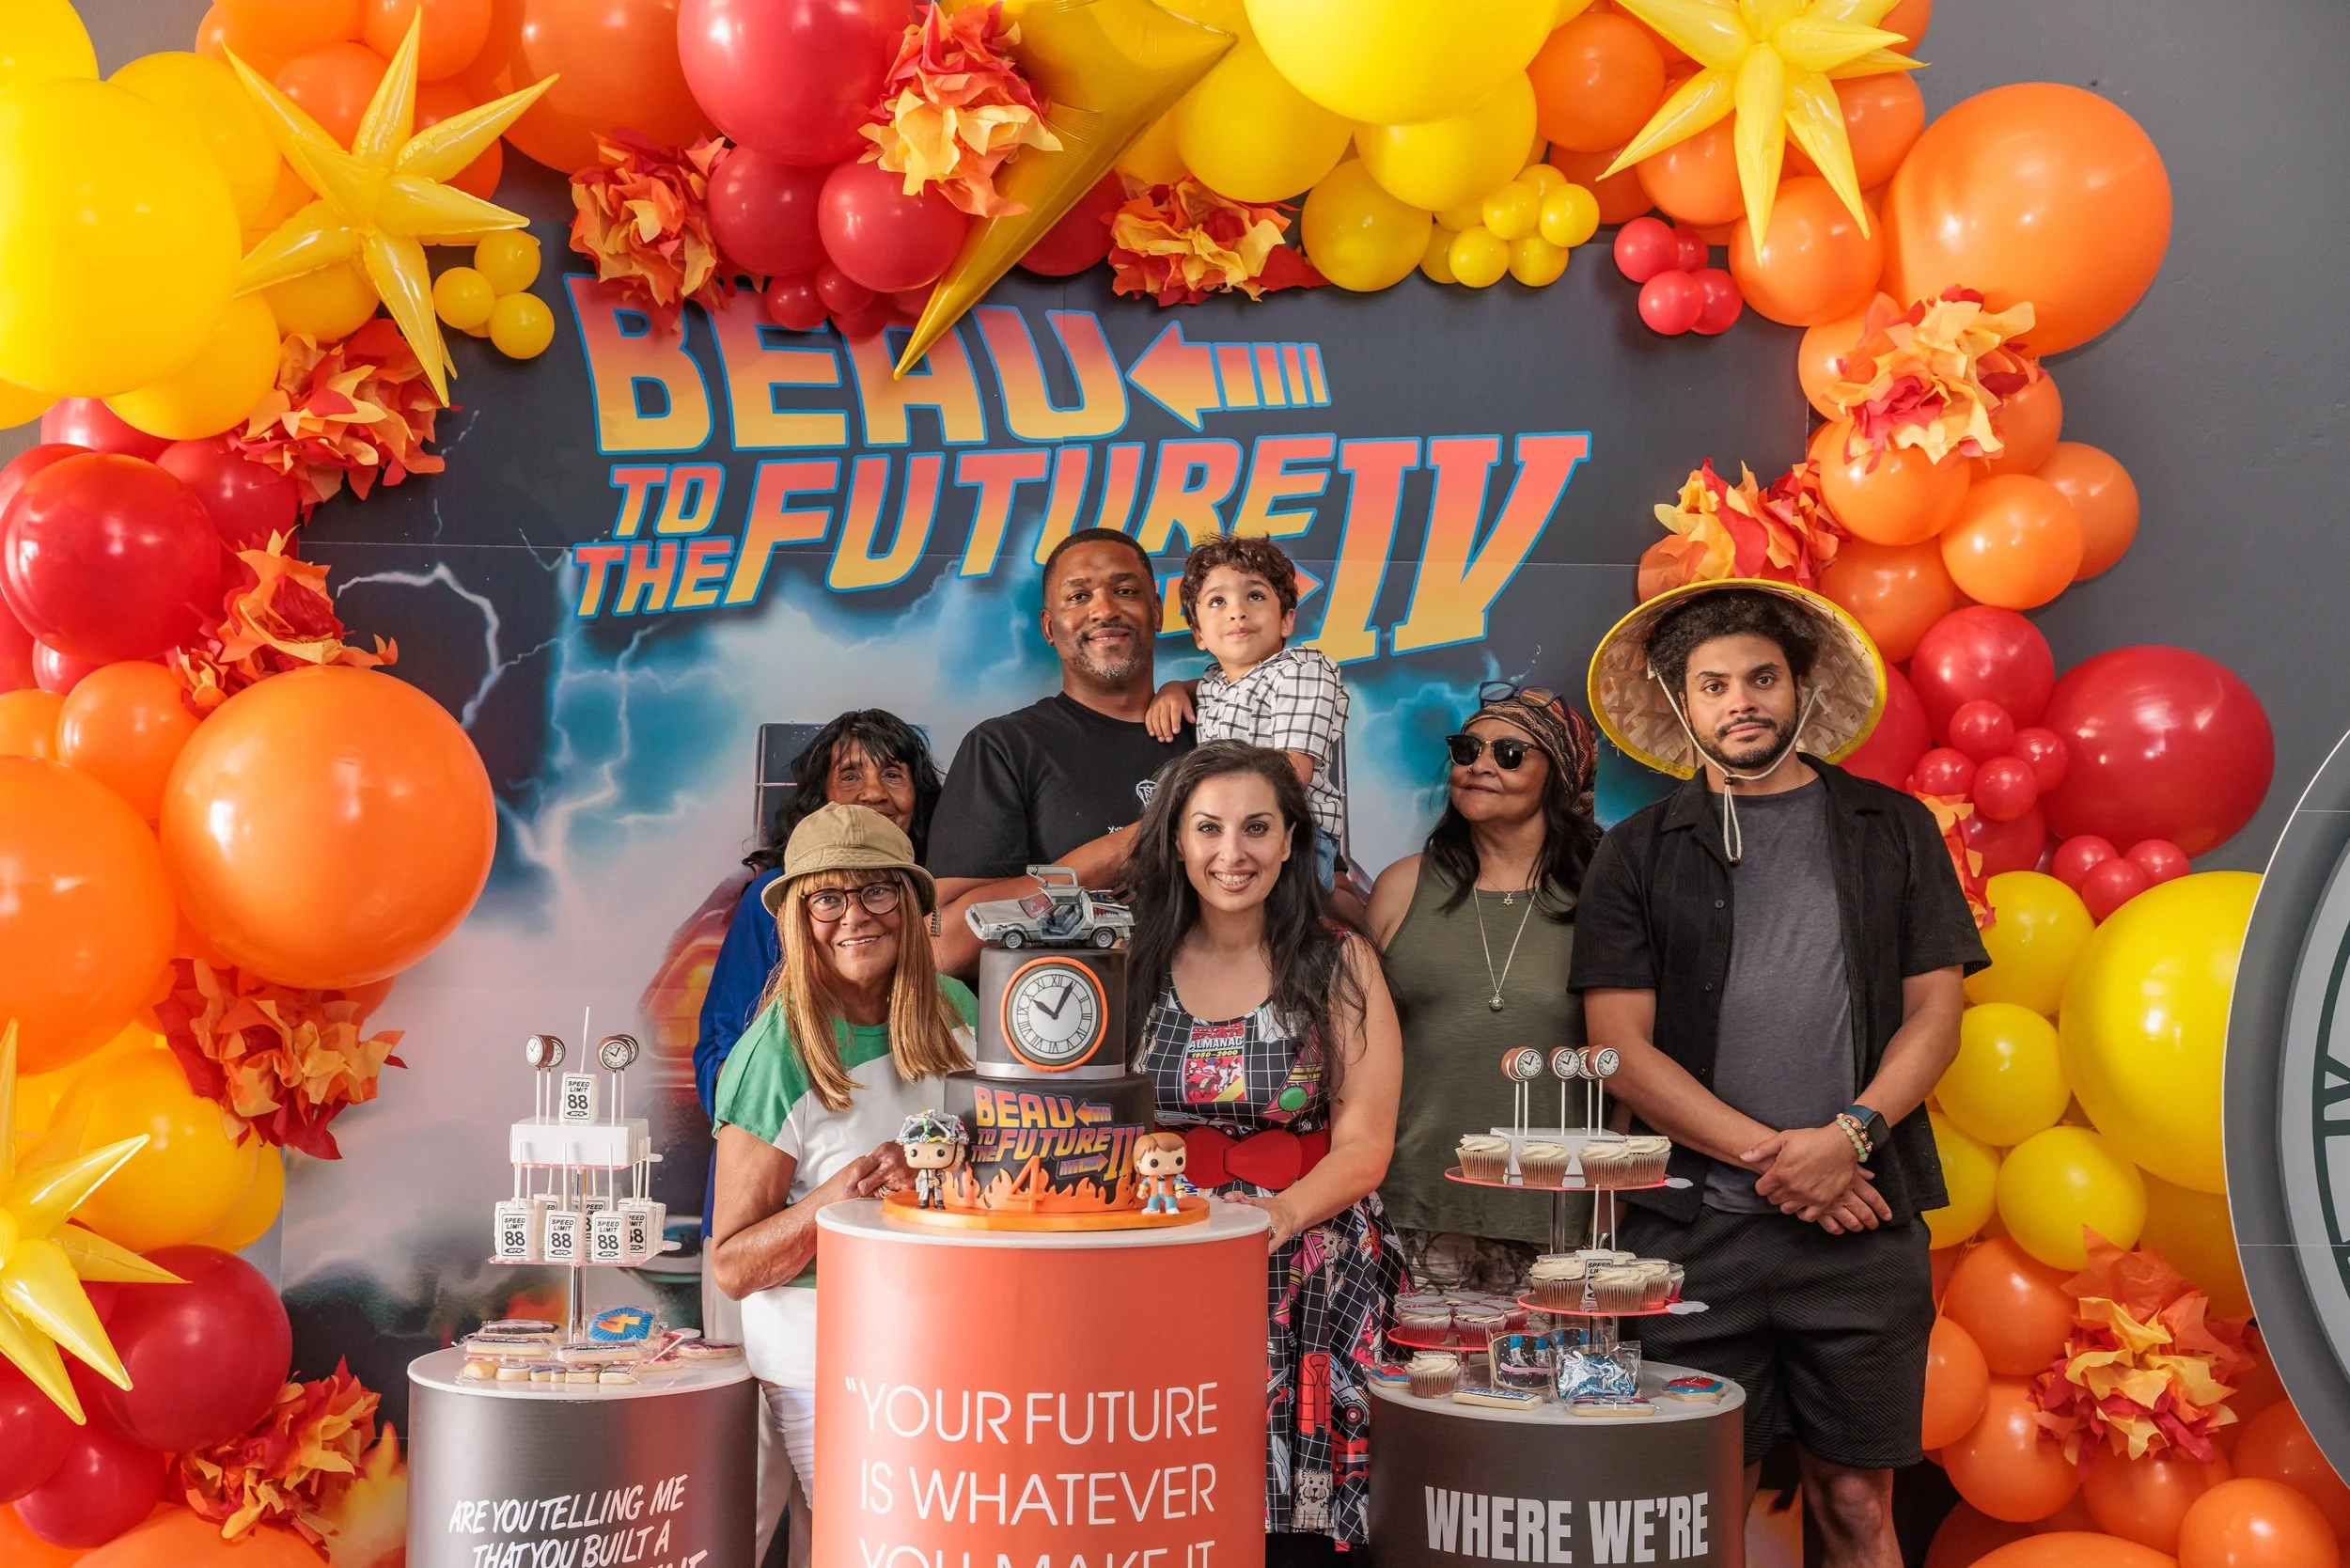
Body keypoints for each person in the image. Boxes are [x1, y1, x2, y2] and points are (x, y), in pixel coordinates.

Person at [1571, 582, 1987, 1568]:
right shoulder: (1635, 854)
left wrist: (1847, 1142)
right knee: (1692, 1517)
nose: (1739, 701)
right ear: (1682, 705)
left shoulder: (1892, 830)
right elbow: (1619, 1048)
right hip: (1692, 1239)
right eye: (1712, 685)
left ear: (1800, 688)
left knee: (1853, 1504)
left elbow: (1937, 1016)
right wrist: (1787, 1163)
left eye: (1761, 677)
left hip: (1859, 1237)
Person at [1123, 741, 1405, 1560]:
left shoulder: (1337, 962)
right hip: (1166, 1267)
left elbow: (1366, 1143)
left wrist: (1276, 1216)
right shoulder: (1127, 961)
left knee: (1302, 1536)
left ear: (1290, 841)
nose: (1231, 852)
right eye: (1208, 828)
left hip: (1312, 1267)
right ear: (1177, 840)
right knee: (1169, 1508)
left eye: (1256, 828)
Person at [709, 803, 977, 1568]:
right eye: (827, 898)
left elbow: (987, 1164)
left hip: (951, 1344)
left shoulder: (956, 1012)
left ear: (912, 903)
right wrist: (841, 1199)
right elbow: (732, 1265)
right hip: (828, 1362)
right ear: (798, 917)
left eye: (875, 893)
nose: (853, 917)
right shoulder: (777, 1053)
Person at [1366, 683, 1603, 1294]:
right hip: (1411, 1208)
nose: (1480, 764)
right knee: (1413, 1390)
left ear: (1560, 775)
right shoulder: (1401, 887)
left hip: (1555, 1217)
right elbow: (1356, 1060)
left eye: (1510, 753)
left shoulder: (1604, 899)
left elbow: (1628, 1062)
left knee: (1541, 1390)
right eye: (1468, 748)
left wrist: (1611, 1213)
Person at [928, 527, 1194, 974]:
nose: (1105, 610)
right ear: (1050, 628)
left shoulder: (1227, 734)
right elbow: (943, 944)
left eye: (1125, 591)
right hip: (1066, 1028)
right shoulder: (1005, 748)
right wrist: (1129, 845)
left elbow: (1321, 892)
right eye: (1078, 597)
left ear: (1157, 611)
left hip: (1222, 1033)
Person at [1146, 536, 1350, 891]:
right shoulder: (1213, 682)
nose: (1237, 611)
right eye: (1217, 601)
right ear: (1199, 634)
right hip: (1231, 834)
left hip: (1295, 835)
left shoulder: (1304, 670)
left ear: (1286, 621)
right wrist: (1173, 688)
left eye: (1254, 596)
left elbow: (1292, 772)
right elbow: (1210, 686)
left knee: (1285, 929)